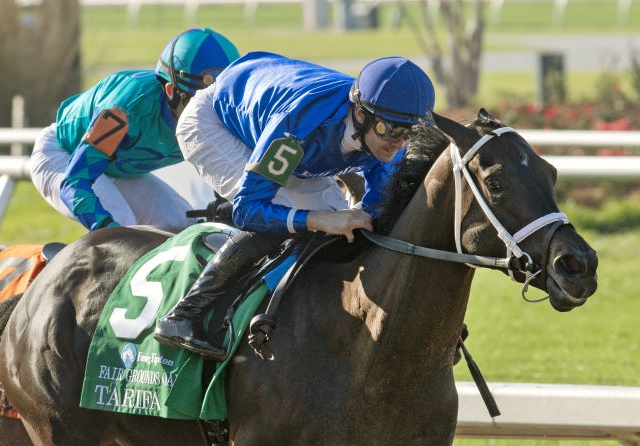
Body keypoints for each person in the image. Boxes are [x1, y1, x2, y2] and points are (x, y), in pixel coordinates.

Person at [153, 53, 436, 360]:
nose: (397, 143)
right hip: (215, 122)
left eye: (409, 133)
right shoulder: (298, 126)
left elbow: (375, 213)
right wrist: (317, 219)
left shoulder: (386, 136)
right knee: (285, 217)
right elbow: (248, 210)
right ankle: (183, 314)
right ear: (360, 114)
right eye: (389, 129)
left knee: (344, 229)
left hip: (280, 125)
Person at [28, 28, 240, 232]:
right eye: (199, 102)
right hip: (64, 156)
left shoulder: (223, 114)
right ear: (170, 91)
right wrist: (109, 232)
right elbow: (74, 182)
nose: (211, 115)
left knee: (181, 226)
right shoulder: (124, 110)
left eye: (217, 102)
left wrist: (224, 203)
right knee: (122, 226)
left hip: (119, 169)